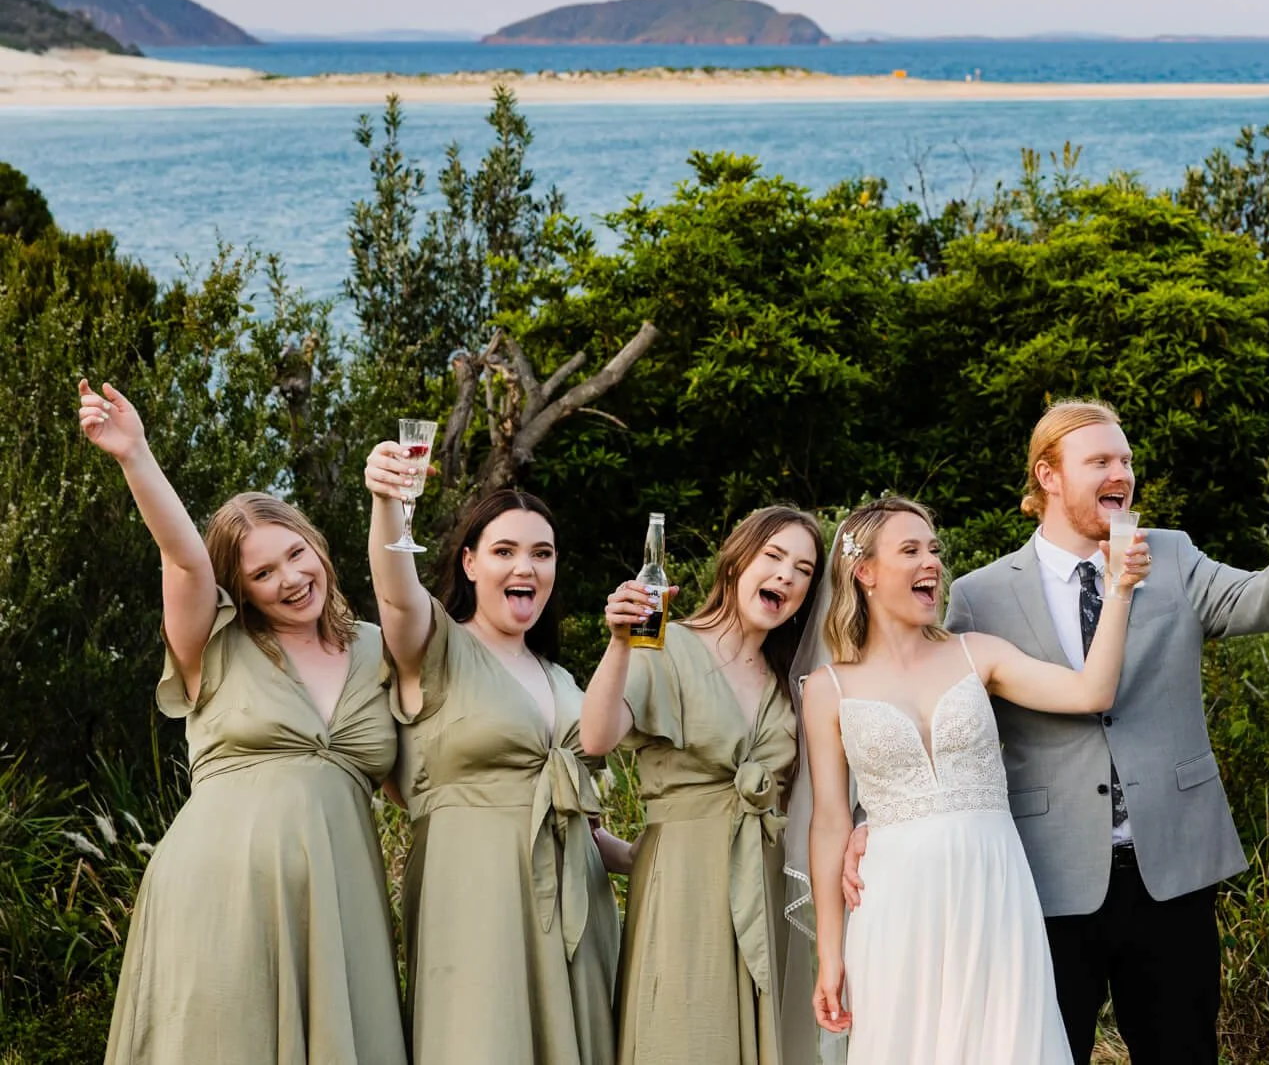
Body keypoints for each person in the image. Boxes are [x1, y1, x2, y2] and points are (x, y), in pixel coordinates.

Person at [839, 400, 1269, 1064]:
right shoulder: (983, 595)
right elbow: (934, 718)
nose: (1121, 472)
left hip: (1174, 865)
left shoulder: (1172, 554)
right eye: (1100, 459)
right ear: (1048, 474)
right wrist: (876, 818)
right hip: (1046, 872)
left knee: (1183, 1051)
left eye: (1126, 460)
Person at [81, 380, 408, 1065]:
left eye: (296, 553)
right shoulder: (214, 644)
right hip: (219, 895)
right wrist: (135, 454)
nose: (290, 578)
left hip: (340, 906)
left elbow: (424, 778)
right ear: (240, 586)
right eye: (262, 572)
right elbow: (182, 556)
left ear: (317, 546)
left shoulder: (380, 648)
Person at [801, 496, 1150, 1064]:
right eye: (910, 550)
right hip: (893, 902)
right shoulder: (828, 688)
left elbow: (1091, 693)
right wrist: (830, 952)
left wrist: (1119, 590)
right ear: (864, 571)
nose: (931, 563)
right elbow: (831, 821)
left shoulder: (977, 654)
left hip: (993, 885)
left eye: (934, 549)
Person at [365, 444, 627, 1065]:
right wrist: (387, 504)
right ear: (471, 563)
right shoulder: (435, 647)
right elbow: (397, 594)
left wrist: (648, 861)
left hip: (575, 900)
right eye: (505, 551)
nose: (527, 567)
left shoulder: (563, 679)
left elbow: (587, 829)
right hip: (473, 888)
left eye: (542, 553)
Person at [579, 505, 827, 1065]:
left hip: (765, 882)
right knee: (684, 1033)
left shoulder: (791, 685)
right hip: (684, 879)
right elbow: (596, 737)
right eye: (774, 556)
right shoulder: (664, 642)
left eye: (804, 569)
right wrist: (620, 642)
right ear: (737, 563)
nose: (786, 574)